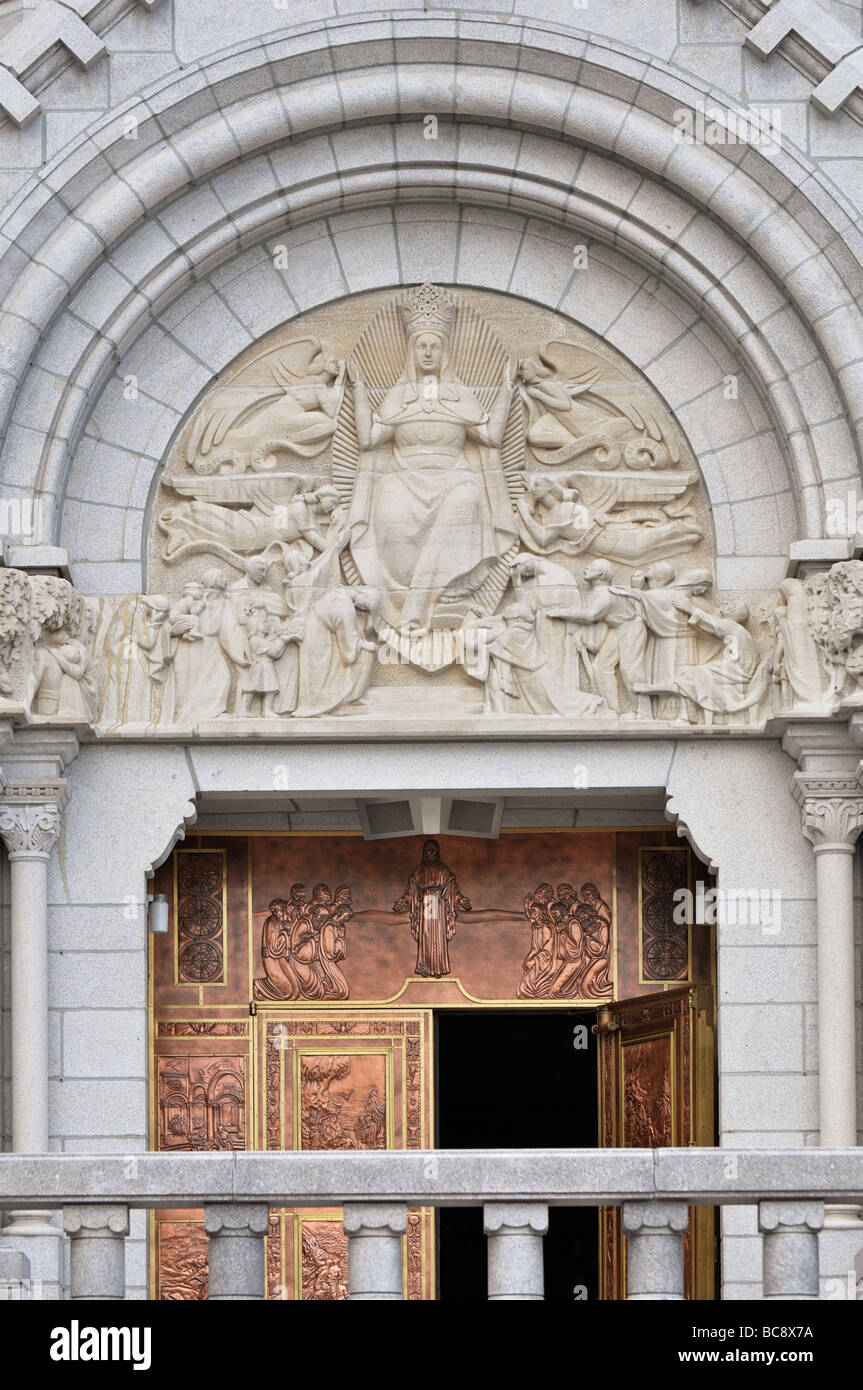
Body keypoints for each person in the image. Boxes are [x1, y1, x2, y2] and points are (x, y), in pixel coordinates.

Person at [347, 284, 517, 633]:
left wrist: (506, 389)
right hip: (402, 479)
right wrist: (359, 388)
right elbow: (368, 441)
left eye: (434, 346)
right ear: (411, 351)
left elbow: (490, 438)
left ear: (444, 352)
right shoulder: (400, 396)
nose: (428, 353)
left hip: (455, 478)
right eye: (421, 346)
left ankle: (424, 603)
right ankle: (406, 592)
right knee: (390, 508)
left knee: (467, 499)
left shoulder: (461, 396)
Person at [393, 839, 472, 978]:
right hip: (425, 903)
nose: (431, 853)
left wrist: (460, 899)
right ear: (424, 852)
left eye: (434, 850)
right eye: (428, 850)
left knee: (438, 936)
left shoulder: (443, 869)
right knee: (426, 935)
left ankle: (438, 968)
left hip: (439, 902)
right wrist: (404, 900)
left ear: (437, 851)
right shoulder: (419, 870)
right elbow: (412, 888)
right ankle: (424, 967)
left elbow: (451, 886)